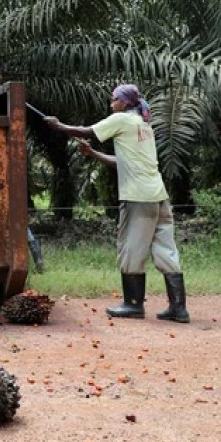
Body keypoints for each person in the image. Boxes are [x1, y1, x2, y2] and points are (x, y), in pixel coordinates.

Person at [43, 84, 189, 323]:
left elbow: (87, 131)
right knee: (166, 249)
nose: (111, 103)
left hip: (137, 198)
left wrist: (60, 127)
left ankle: (133, 304)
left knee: (131, 248)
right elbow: (123, 161)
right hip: (159, 196)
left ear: (125, 102)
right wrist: (93, 155)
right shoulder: (143, 125)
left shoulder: (121, 119)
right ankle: (178, 308)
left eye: (114, 99)